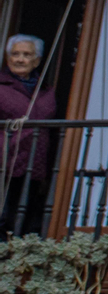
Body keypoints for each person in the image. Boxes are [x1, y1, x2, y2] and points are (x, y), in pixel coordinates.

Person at [0, 34, 58, 237]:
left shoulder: (46, 91)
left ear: (37, 61)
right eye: (15, 54)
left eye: (26, 55)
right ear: (8, 58)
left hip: (35, 164)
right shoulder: (1, 87)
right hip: (5, 162)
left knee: (25, 218)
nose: (19, 59)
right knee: (3, 215)